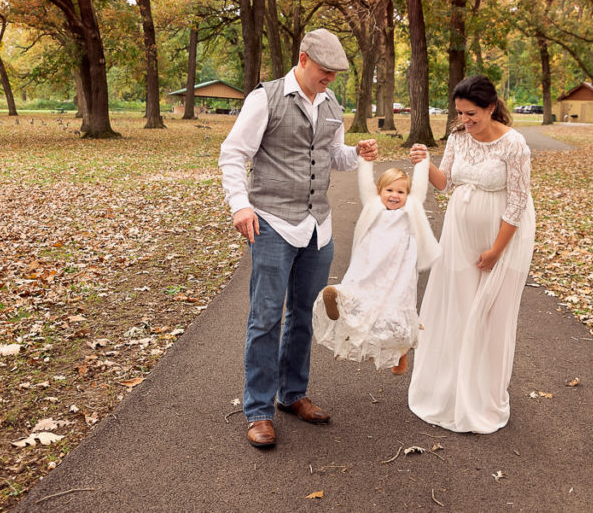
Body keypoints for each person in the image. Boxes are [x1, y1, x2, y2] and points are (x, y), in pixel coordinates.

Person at [218, 28, 378, 449]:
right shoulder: (265, 98)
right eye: (325, 71)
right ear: (303, 59)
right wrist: (240, 204)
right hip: (271, 220)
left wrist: (357, 153)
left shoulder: (332, 105)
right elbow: (234, 153)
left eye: (335, 74)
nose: (331, 79)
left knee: (305, 316)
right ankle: (258, 410)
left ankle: (292, 395)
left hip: (317, 227)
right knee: (266, 316)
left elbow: (332, 156)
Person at [406, 74, 535, 434]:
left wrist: (495, 250)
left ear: (491, 108)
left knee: (490, 316)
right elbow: (445, 182)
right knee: (457, 309)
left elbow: (518, 202)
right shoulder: (458, 138)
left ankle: (480, 396)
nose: (465, 121)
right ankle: (449, 390)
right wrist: (423, 162)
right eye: (460, 114)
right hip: (459, 235)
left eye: (472, 114)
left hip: (501, 239)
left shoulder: (515, 145)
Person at [312, 157, 440, 374]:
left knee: (397, 308)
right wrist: (365, 160)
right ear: (379, 191)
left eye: (401, 192)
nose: (394, 195)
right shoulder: (373, 206)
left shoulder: (411, 210)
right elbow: (365, 184)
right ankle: (337, 297)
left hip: (399, 272)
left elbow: (419, 188)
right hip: (370, 268)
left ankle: (401, 357)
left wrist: (422, 161)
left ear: (407, 196)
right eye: (389, 190)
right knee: (360, 295)